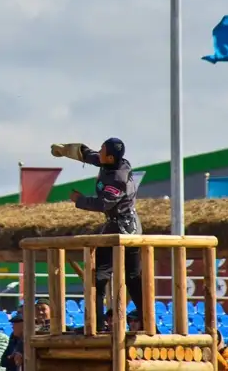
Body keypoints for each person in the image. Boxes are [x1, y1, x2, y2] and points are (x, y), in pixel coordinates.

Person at [51, 137, 144, 329]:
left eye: (102, 150)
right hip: (114, 225)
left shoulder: (118, 178)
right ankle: (97, 323)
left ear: (110, 158)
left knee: (128, 278)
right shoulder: (108, 160)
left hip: (125, 228)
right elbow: (89, 155)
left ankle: (146, 322)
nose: (99, 152)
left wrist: (79, 200)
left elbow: (104, 204)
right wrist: (66, 150)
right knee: (100, 277)